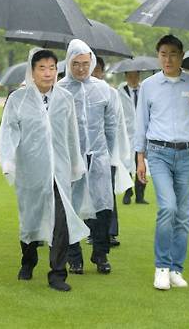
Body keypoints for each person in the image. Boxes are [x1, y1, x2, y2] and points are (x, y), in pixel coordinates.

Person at [0, 48, 89, 292]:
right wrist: (8, 160)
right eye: (42, 68)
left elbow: (72, 133)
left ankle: (57, 273)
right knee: (31, 219)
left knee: (61, 220)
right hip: (31, 170)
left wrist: (75, 162)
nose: (48, 73)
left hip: (58, 171)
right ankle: (28, 260)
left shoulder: (65, 98)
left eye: (52, 68)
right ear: (33, 71)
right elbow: (8, 131)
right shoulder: (18, 99)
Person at [134, 34, 189, 290]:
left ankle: (177, 268)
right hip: (158, 153)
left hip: (188, 154)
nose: (168, 59)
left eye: (173, 54)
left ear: (182, 56)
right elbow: (140, 123)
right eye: (163, 54)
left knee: (184, 215)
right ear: (158, 56)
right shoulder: (149, 85)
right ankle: (162, 267)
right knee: (168, 207)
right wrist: (139, 159)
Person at [58, 39, 117, 275]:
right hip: (71, 159)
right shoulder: (59, 89)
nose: (81, 68)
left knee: (103, 207)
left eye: (85, 63)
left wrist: (108, 154)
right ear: (68, 63)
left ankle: (100, 254)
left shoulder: (103, 89)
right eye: (76, 63)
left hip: (98, 156)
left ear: (91, 62)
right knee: (71, 208)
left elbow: (111, 125)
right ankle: (74, 257)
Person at [92, 56, 132, 248]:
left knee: (107, 194)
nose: (94, 74)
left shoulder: (110, 93)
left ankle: (110, 231)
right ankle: (93, 231)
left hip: (107, 152)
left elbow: (118, 122)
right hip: (86, 153)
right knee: (88, 194)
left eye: (97, 70)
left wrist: (119, 151)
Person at [119, 69, 149, 205]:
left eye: (136, 76)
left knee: (141, 164)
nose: (133, 79)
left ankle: (140, 195)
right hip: (126, 134)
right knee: (126, 164)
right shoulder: (120, 92)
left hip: (142, 134)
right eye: (130, 76)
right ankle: (127, 192)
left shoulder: (145, 91)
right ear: (126, 77)